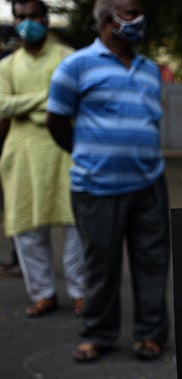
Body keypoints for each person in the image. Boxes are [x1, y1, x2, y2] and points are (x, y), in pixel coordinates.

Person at [46, 0, 169, 363]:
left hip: (149, 184)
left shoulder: (149, 69)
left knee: (152, 262)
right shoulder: (76, 66)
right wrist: (90, 156)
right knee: (100, 265)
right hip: (96, 188)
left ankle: (150, 334)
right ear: (106, 19)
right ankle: (98, 334)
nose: (139, 20)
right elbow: (56, 122)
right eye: (131, 13)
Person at [0, 0, 84, 316]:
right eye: (20, 17)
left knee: (77, 225)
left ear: (46, 20)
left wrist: (24, 106)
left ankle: (81, 292)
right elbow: (1, 105)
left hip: (64, 153)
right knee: (26, 228)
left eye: (33, 16)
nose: (27, 22)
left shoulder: (69, 58)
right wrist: (49, 100)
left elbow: (75, 101)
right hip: (21, 157)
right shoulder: (6, 66)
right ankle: (43, 293)